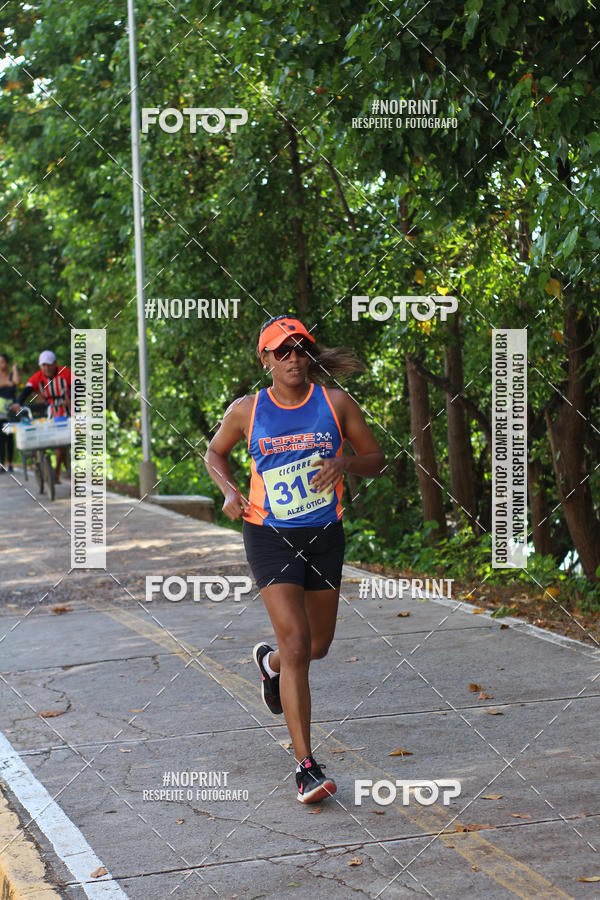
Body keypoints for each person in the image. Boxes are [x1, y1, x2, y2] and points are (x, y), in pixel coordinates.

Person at [206, 315, 385, 803]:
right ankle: (306, 767)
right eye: (282, 350)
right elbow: (214, 454)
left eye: (300, 348)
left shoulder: (336, 404)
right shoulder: (247, 410)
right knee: (298, 642)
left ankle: (271, 666)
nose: (293, 358)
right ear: (264, 359)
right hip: (269, 535)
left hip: (325, 534)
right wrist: (228, 491)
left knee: (317, 646)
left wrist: (344, 462)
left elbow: (377, 460)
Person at [10, 350, 72, 483]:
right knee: (60, 443)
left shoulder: (66, 373)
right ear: (40, 366)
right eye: (43, 365)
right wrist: (18, 403)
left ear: (55, 363)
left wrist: (72, 399)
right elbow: (26, 391)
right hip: (52, 412)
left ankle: (58, 472)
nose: (46, 368)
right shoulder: (38, 377)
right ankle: (59, 473)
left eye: (49, 364)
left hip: (70, 411)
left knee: (63, 444)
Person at [0, 353, 19, 473]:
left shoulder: (11, 374)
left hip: (11, 411)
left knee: (10, 438)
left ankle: (10, 463)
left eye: (2, 362)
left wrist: (14, 369)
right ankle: (2, 463)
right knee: (1, 439)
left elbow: (16, 381)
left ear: (7, 363)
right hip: (0, 412)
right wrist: (6, 384)